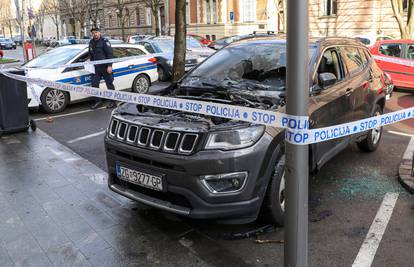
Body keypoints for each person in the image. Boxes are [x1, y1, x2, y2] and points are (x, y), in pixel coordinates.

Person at [88, 27, 116, 109]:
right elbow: (90, 53)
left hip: (105, 67)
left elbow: (110, 54)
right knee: (94, 84)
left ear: (99, 33)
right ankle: (98, 101)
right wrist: (89, 60)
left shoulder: (104, 41)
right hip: (96, 68)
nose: (95, 34)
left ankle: (113, 102)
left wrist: (110, 65)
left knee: (109, 84)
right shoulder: (91, 42)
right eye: (93, 33)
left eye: (96, 32)